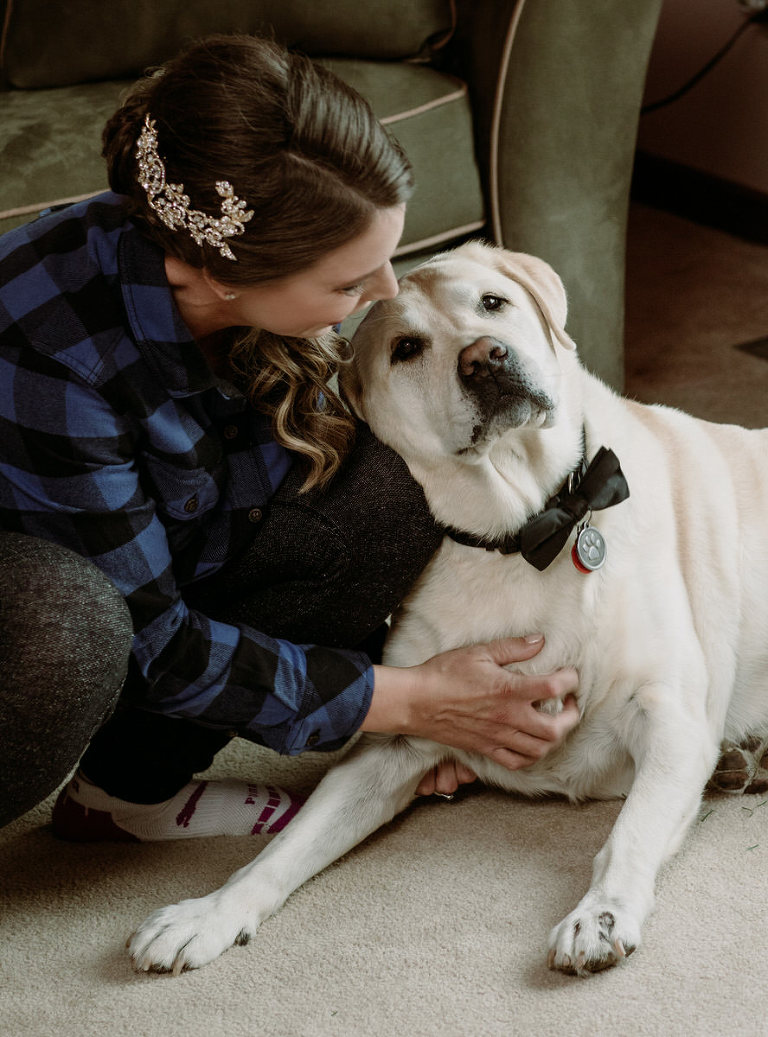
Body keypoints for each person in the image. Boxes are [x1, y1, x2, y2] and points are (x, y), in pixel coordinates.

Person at [0, 34, 579, 841]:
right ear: (224, 273)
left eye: (387, 258)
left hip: (154, 560)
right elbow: (155, 648)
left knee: (392, 479)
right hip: (35, 609)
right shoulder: (48, 353)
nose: (384, 292)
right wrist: (415, 700)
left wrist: (424, 712)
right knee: (70, 629)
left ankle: (123, 793)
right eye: (347, 283)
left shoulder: (217, 261)